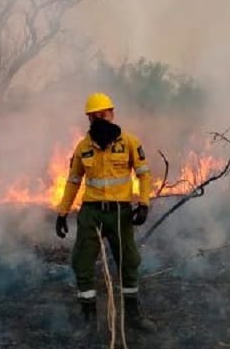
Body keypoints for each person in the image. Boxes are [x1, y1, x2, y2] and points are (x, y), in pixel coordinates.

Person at [55, 92, 157, 334]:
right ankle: (88, 319)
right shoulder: (83, 148)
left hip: (120, 213)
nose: (100, 119)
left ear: (112, 114)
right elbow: (73, 181)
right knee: (82, 262)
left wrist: (143, 204)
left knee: (129, 262)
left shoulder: (130, 142)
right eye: (94, 116)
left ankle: (133, 316)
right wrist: (62, 213)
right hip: (91, 212)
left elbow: (144, 174)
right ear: (89, 119)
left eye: (104, 114)